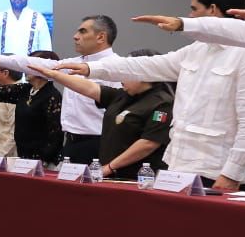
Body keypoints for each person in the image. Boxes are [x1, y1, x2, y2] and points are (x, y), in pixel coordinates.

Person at [60, 0, 245, 191]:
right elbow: (146, 65)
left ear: (213, 10)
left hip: (218, 174)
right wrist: (91, 69)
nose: (190, 15)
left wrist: (232, 174)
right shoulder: (198, 50)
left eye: (194, 9)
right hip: (180, 168)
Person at [0, 14, 120, 165]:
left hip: (99, 143)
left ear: (101, 37)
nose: (75, 36)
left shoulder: (116, 67)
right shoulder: (73, 63)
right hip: (71, 143)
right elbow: (35, 63)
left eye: (83, 31)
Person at [27, 51, 174, 180]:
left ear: (145, 73)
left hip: (139, 177)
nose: (121, 78)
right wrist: (54, 75)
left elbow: (148, 143)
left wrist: (110, 167)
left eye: (127, 72)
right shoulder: (123, 96)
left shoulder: (162, 103)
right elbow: (89, 88)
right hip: (111, 173)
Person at [0, 49, 63, 163]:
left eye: (31, 65)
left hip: (42, 162)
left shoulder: (52, 95)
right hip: (23, 157)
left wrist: (42, 160)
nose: (26, 69)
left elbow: (55, 135)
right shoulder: (25, 89)